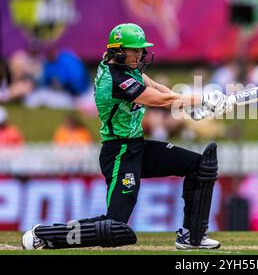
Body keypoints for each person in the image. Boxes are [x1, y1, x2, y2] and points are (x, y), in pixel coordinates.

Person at [22, 23, 232, 250]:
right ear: (118, 50)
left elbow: (160, 90)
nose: (140, 54)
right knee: (115, 226)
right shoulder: (115, 79)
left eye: (141, 49)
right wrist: (201, 99)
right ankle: (44, 235)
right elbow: (158, 100)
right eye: (134, 49)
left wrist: (190, 105)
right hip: (119, 153)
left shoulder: (130, 69)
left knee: (200, 166)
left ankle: (192, 236)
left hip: (137, 146)